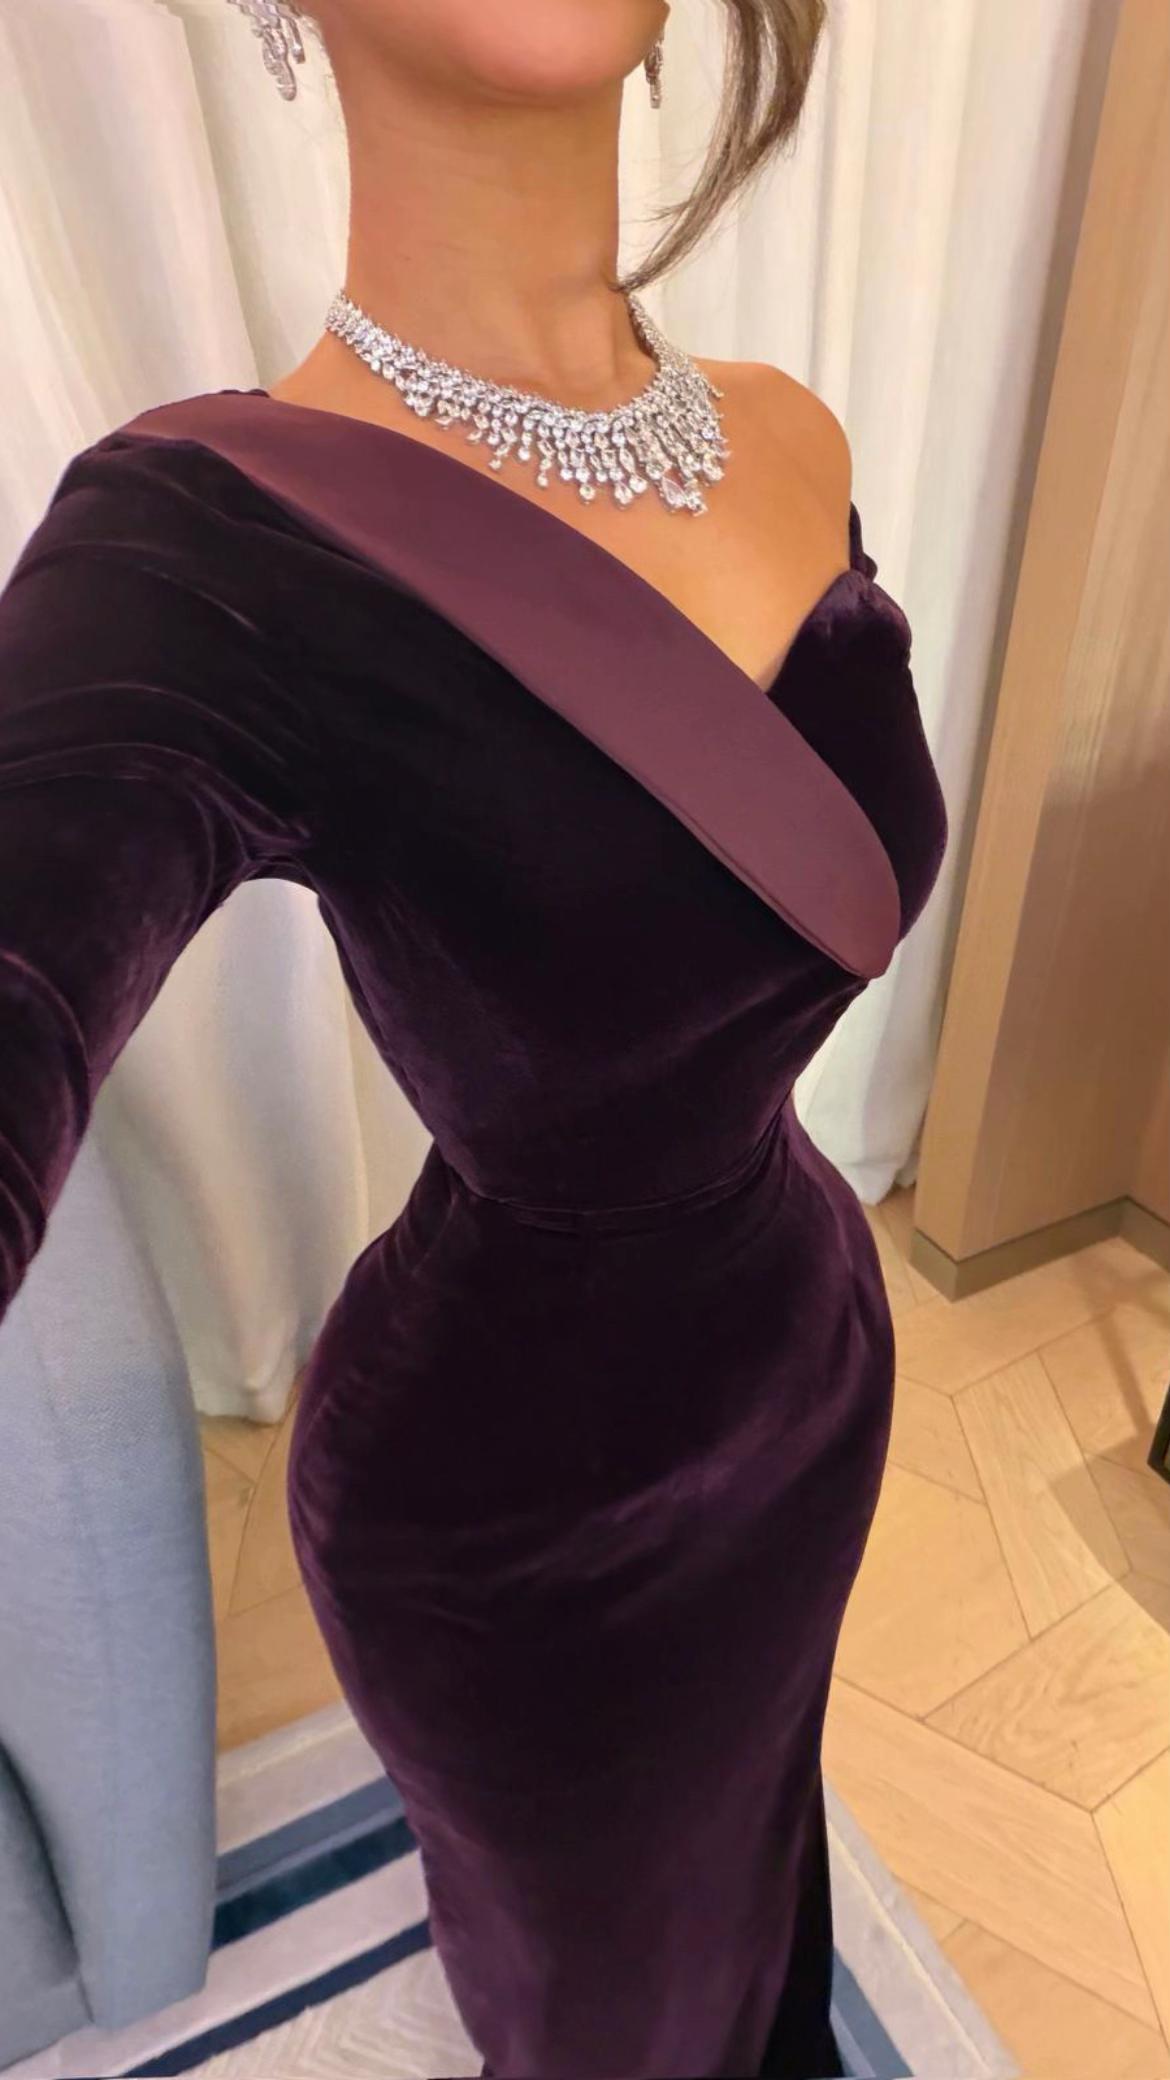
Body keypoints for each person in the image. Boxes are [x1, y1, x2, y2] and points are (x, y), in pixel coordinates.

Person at [0, 2, 949, 2074]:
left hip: (806, 1365)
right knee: (605, 2001)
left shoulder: (790, 434)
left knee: (749, 1886)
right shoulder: (193, 555)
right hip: (526, 1533)